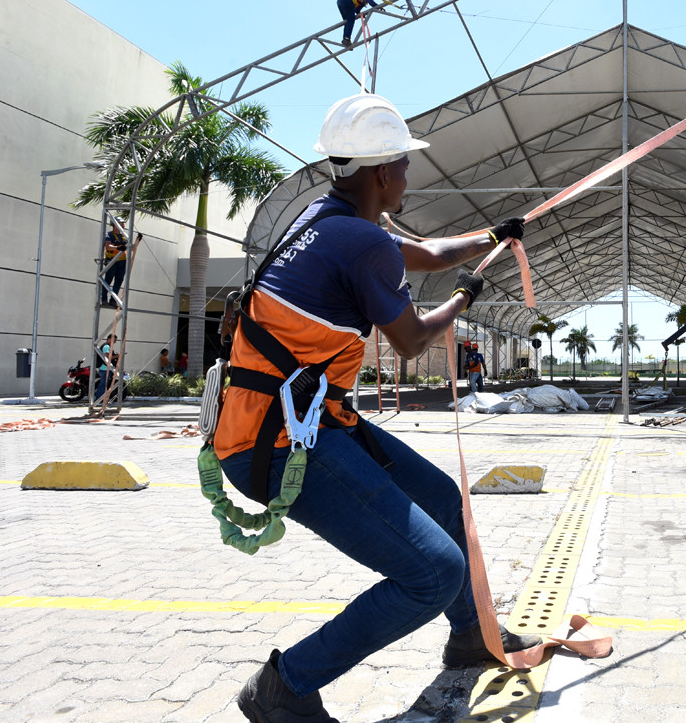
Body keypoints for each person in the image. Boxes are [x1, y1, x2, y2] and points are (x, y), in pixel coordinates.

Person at [214, 92, 534, 723]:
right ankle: (285, 685)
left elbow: (427, 255)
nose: (409, 178)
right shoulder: (364, 244)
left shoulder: (323, 219)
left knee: (444, 498)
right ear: (383, 171)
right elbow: (412, 342)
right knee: (431, 575)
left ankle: (470, 637)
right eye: (405, 167)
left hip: (305, 421)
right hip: (279, 445)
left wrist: (490, 238)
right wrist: (464, 301)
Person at [101, 225, 127, 307]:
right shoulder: (109, 234)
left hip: (122, 261)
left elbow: (130, 248)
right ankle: (104, 300)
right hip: (112, 260)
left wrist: (137, 242)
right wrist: (118, 247)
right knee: (108, 280)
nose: (123, 225)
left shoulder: (124, 237)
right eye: (121, 223)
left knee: (118, 281)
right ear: (115, 225)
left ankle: (113, 300)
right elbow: (108, 247)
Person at [94, 334, 116, 400]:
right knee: (103, 385)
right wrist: (118, 356)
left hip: (105, 368)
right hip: (105, 369)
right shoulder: (106, 346)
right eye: (114, 340)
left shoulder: (106, 346)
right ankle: (99, 399)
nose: (114, 342)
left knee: (104, 385)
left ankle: (100, 399)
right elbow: (107, 357)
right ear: (109, 339)